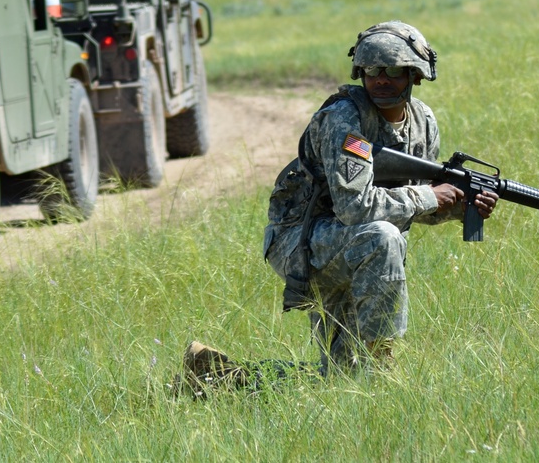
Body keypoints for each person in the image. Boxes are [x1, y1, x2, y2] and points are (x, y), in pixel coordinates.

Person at [179, 21, 498, 392]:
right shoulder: (344, 119)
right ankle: (383, 364)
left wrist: (458, 206)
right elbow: (355, 207)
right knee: (383, 237)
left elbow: (409, 203)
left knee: (342, 379)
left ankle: (213, 376)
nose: (381, 79)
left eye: (393, 71)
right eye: (371, 71)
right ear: (359, 72)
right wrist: (431, 196)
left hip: (352, 246)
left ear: (415, 75)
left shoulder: (423, 122)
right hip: (302, 241)